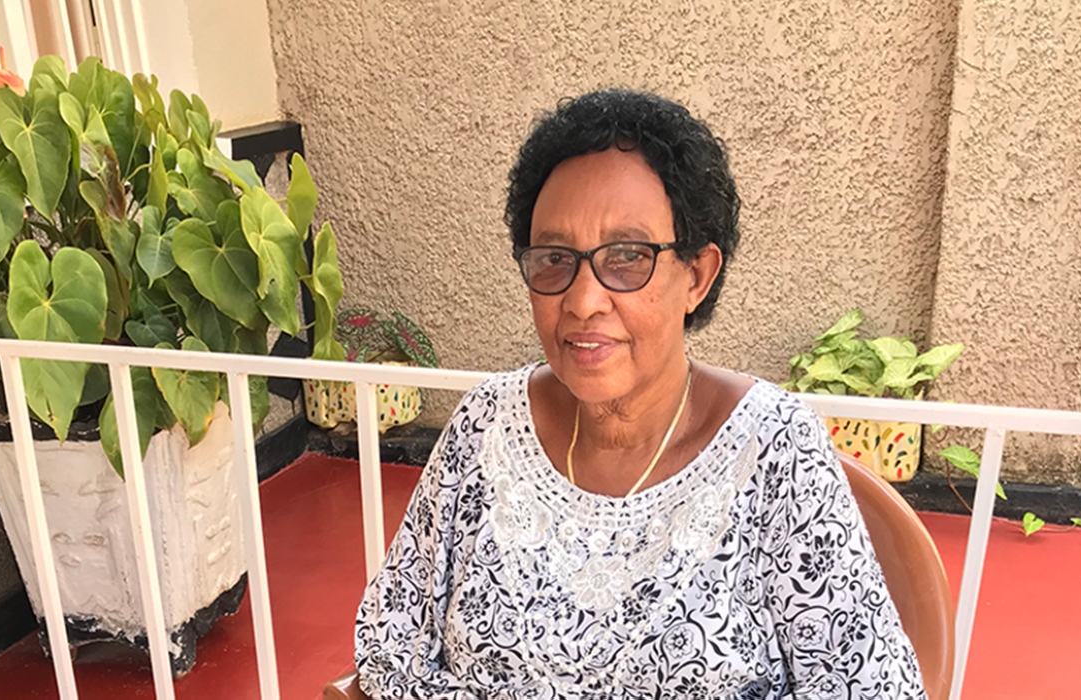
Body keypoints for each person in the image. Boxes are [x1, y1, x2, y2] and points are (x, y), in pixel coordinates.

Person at [355, 89, 926, 699]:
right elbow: (390, 649)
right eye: (554, 258)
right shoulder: (484, 427)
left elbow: (868, 687)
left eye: (627, 257)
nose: (582, 300)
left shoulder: (776, 451)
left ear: (697, 276)